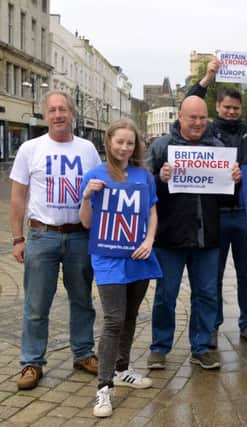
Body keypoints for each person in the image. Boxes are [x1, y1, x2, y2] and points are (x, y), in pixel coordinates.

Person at [10, 90, 100, 390]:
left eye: (63, 109)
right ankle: (32, 362)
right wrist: (17, 238)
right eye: (53, 110)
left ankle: (83, 353)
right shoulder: (30, 148)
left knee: (82, 300)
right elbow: (18, 196)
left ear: (72, 113)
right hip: (41, 235)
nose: (59, 115)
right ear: (46, 114)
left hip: (78, 236)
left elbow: (101, 191)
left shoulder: (87, 149)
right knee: (36, 305)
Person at [187, 58, 247, 347]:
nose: (231, 111)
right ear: (218, 107)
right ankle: (212, 326)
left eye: (236, 108)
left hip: (245, 214)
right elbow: (190, 103)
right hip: (214, 213)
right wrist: (208, 78)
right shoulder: (207, 130)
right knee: (211, 276)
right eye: (227, 107)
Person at [146, 95, 241, 370]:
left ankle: (201, 347)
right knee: (166, 294)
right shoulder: (162, 146)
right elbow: (142, 186)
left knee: (207, 294)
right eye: (192, 117)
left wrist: (235, 182)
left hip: (206, 236)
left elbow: (226, 200)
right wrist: (159, 180)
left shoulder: (218, 148)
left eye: (202, 117)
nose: (198, 123)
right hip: (169, 237)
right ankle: (159, 347)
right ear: (180, 116)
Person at [79, 119, 162, 418]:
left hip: (138, 256)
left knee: (130, 316)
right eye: (119, 142)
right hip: (108, 258)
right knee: (113, 320)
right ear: (109, 142)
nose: (125, 147)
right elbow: (87, 222)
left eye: (130, 143)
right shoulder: (95, 175)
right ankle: (104, 388)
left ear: (136, 146)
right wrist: (87, 195)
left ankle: (122, 369)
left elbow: (152, 213)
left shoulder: (144, 176)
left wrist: (151, 239)